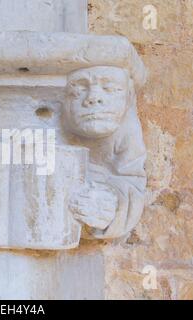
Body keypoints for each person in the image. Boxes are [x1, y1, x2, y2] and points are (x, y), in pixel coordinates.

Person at [63, 66, 147, 239]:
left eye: (110, 89)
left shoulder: (126, 128)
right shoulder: (52, 123)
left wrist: (111, 203)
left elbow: (133, 181)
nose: (93, 98)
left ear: (128, 96)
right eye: (79, 90)